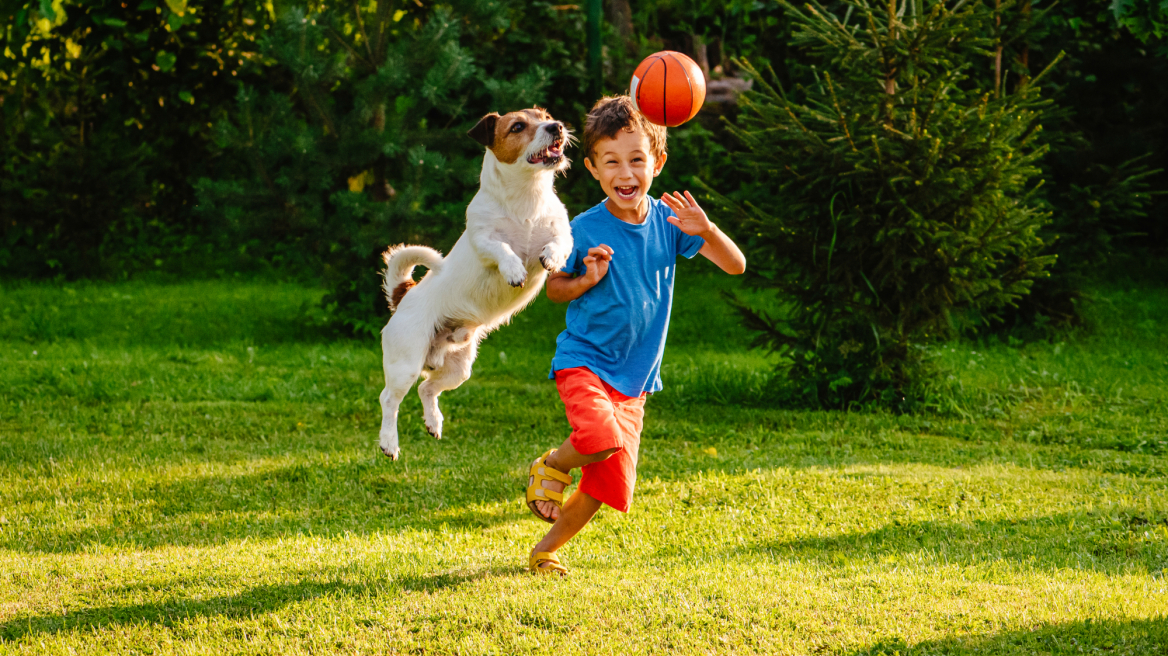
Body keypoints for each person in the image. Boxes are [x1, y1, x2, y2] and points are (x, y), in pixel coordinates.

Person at [524, 95, 747, 575]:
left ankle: (546, 550)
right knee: (598, 437)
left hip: (634, 380)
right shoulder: (581, 227)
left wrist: (706, 229)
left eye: (637, 159)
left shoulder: (671, 223)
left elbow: (735, 265)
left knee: (607, 486)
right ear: (592, 169)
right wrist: (585, 279)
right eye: (612, 162)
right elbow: (554, 290)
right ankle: (553, 466)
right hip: (585, 360)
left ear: (658, 162)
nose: (626, 173)